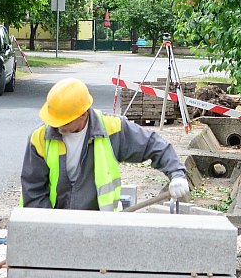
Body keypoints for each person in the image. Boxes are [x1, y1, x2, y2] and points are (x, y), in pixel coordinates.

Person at [22, 78, 191, 210]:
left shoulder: (112, 129)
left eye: (64, 122)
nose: (57, 127)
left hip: (98, 225)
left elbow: (154, 145)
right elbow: (33, 190)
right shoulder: (40, 139)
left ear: (83, 114)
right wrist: (47, 227)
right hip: (53, 225)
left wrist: (176, 174)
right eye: (54, 121)